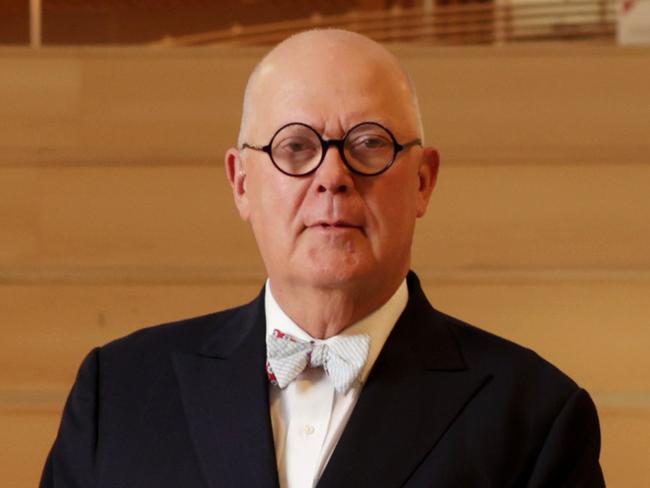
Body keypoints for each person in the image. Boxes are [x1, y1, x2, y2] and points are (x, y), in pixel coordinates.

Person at [41, 29, 605, 487]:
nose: (333, 177)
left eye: (369, 144)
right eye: (295, 147)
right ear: (241, 183)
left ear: (423, 182)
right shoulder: (116, 391)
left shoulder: (537, 417)